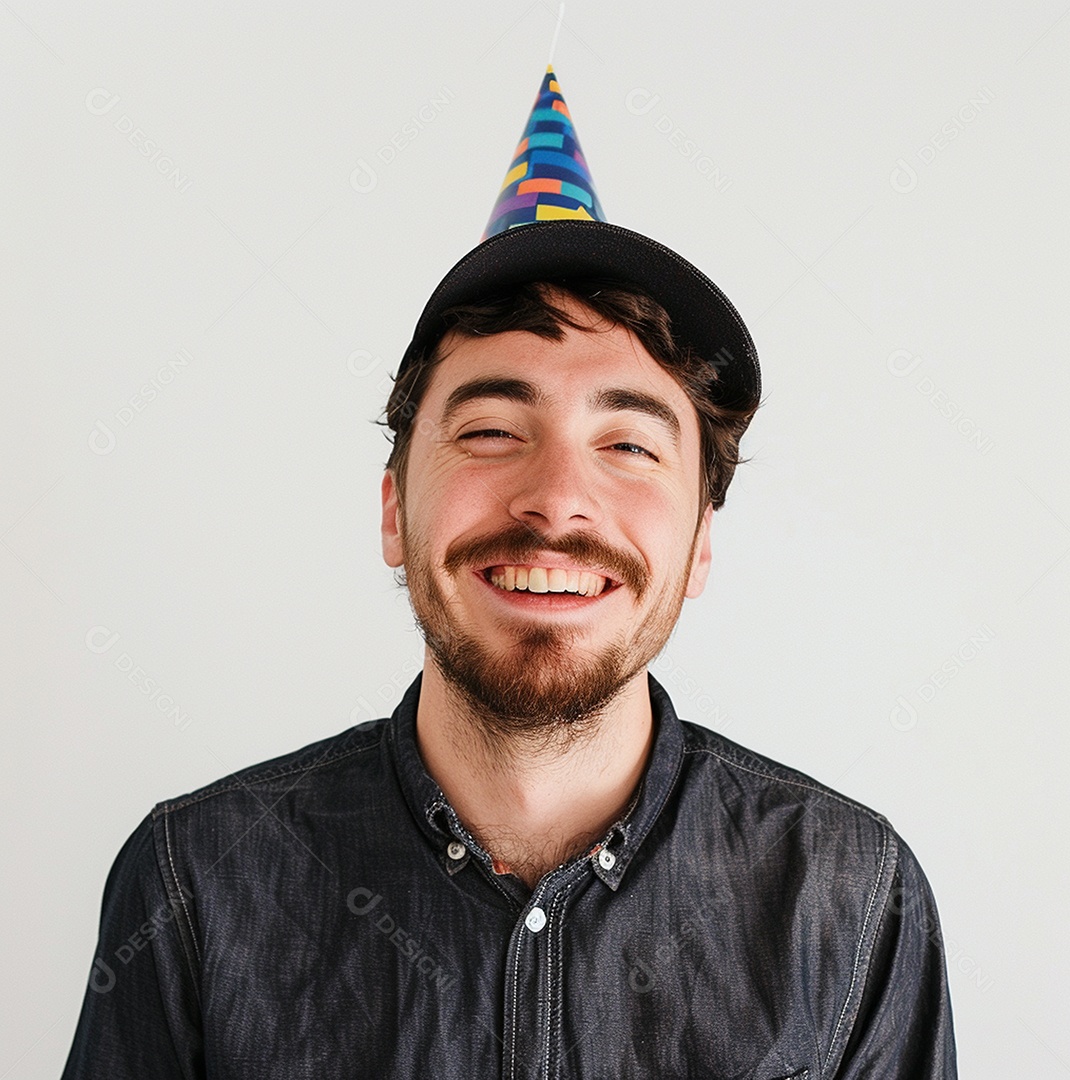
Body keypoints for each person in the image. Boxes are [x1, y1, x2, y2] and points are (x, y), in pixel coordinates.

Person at [62, 68, 957, 1078]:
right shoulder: (194, 887)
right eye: (492, 430)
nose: (557, 502)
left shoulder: (849, 898)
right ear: (395, 510)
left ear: (701, 539)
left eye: (627, 445)